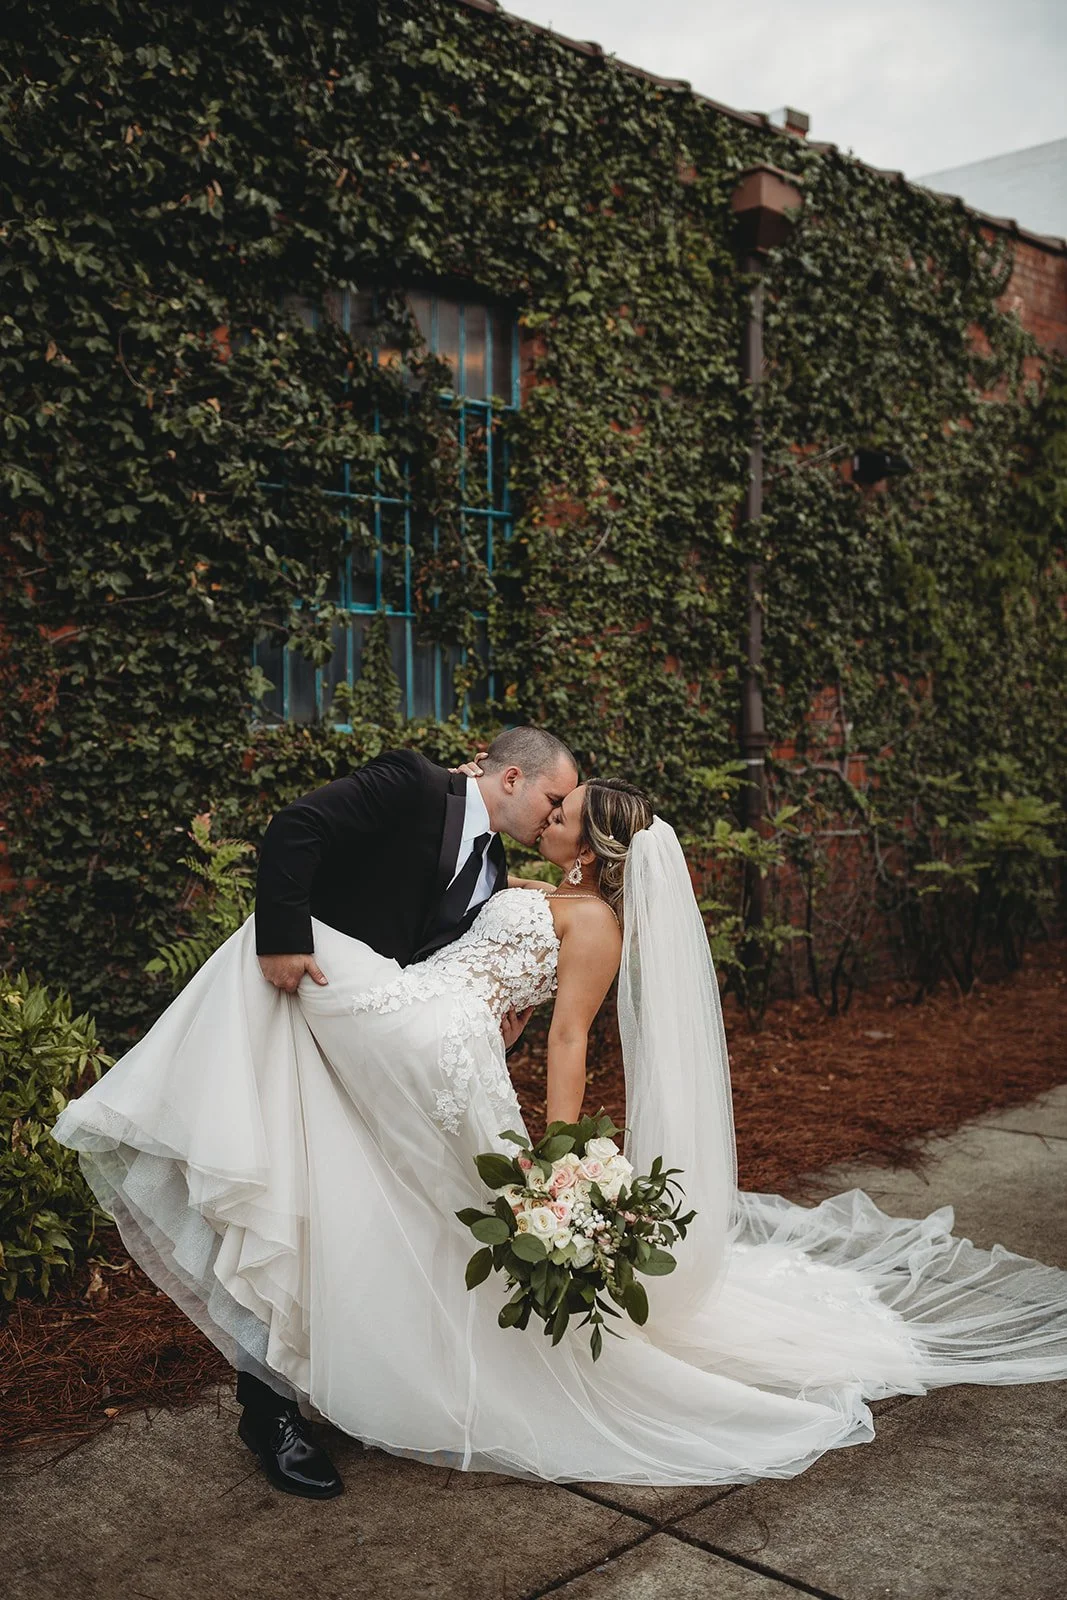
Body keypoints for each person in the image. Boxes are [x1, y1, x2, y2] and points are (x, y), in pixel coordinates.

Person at [52, 762, 1067, 1496]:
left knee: (282, 969)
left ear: (594, 839)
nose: (549, 814)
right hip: (424, 1027)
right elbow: (486, 965)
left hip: (434, 1046)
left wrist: (557, 1159)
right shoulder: (515, 881)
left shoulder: (597, 925)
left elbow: (570, 1040)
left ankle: (145, 1116)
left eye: (566, 810)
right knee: (359, 1180)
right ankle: (312, 1380)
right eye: (552, 796)